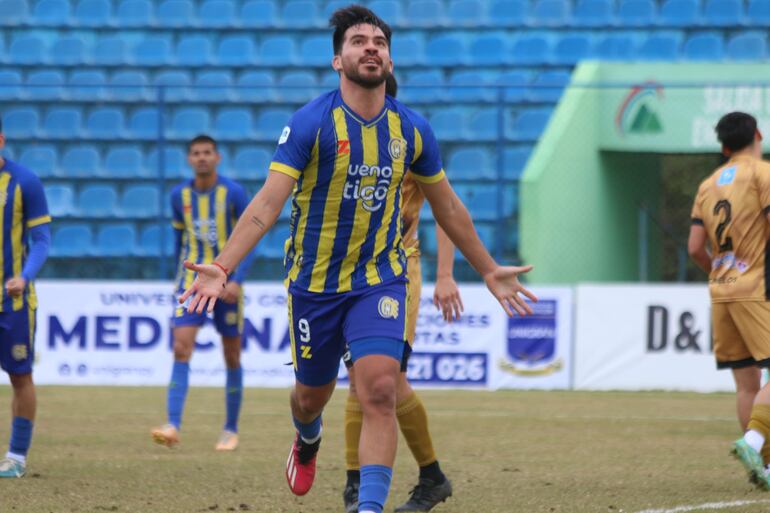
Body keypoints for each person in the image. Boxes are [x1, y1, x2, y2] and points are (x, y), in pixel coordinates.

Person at [180, 6, 537, 513]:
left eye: (379, 42)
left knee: (380, 389)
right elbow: (267, 202)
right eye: (358, 41)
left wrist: (486, 269)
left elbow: (449, 207)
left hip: (381, 279)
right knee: (310, 397)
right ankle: (307, 438)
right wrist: (224, 265)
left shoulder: (412, 130)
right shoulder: (310, 123)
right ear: (337, 60)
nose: (371, 47)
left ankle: (368, 507)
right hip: (316, 283)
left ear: (389, 60)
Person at [342, 73, 461, 513]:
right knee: (359, 379)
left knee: (381, 379)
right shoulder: (343, 139)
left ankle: (409, 479)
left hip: (398, 271)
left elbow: (447, 206)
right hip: (351, 274)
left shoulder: (403, 140)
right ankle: (412, 479)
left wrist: (445, 275)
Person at [151, 135, 255, 452]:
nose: (202, 158)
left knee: (231, 354)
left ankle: (230, 429)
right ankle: (172, 425)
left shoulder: (234, 193)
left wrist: (236, 280)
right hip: (191, 285)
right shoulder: (177, 196)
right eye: (196, 153)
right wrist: (178, 276)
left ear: (218, 157)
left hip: (226, 287)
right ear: (189, 159)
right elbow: (178, 242)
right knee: (181, 348)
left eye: (207, 153)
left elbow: (250, 240)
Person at [688, 111, 770, 488]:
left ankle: (764, 468)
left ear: (723, 147)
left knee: (746, 384)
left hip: (721, 288)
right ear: (758, 134)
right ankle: (753, 441)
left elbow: (694, 247)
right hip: (757, 285)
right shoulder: (762, 173)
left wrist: (719, 271)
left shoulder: (707, 186)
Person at [0, 117, 53, 478]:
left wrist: (25, 276)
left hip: (13, 302)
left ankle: (16, 457)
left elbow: (42, 240)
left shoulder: (24, 182)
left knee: (21, 376)